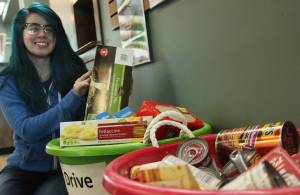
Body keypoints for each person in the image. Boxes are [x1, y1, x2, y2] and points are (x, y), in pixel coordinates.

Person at [0, 2, 91, 195]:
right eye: (34, 27)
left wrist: (116, 91)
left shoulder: (75, 70)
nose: (43, 34)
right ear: (20, 33)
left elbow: (94, 118)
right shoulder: (8, 79)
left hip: (67, 166)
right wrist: (73, 96)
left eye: (49, 28)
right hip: (23, 169)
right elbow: (28, 129)